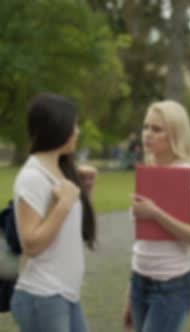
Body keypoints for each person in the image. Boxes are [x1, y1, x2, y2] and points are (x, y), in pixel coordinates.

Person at [10, 93, 98, 332]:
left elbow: (70, 232)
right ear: (56, 128)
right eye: (74, 125)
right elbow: (32, 244)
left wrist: (85, 193)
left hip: (64, 294)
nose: (77, 131)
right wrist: (63, 205)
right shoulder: (32, 177)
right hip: (43, 295)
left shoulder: (60, 171)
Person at [122, 100, 190, 332]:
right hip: (140, 281)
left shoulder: (187, 174)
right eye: (146, 127)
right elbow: (144, 239)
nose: (147, 134)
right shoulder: (148, 172)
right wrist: (131, 293)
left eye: (156, 129)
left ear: (175, 134)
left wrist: (156, 213)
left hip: (171, 288)